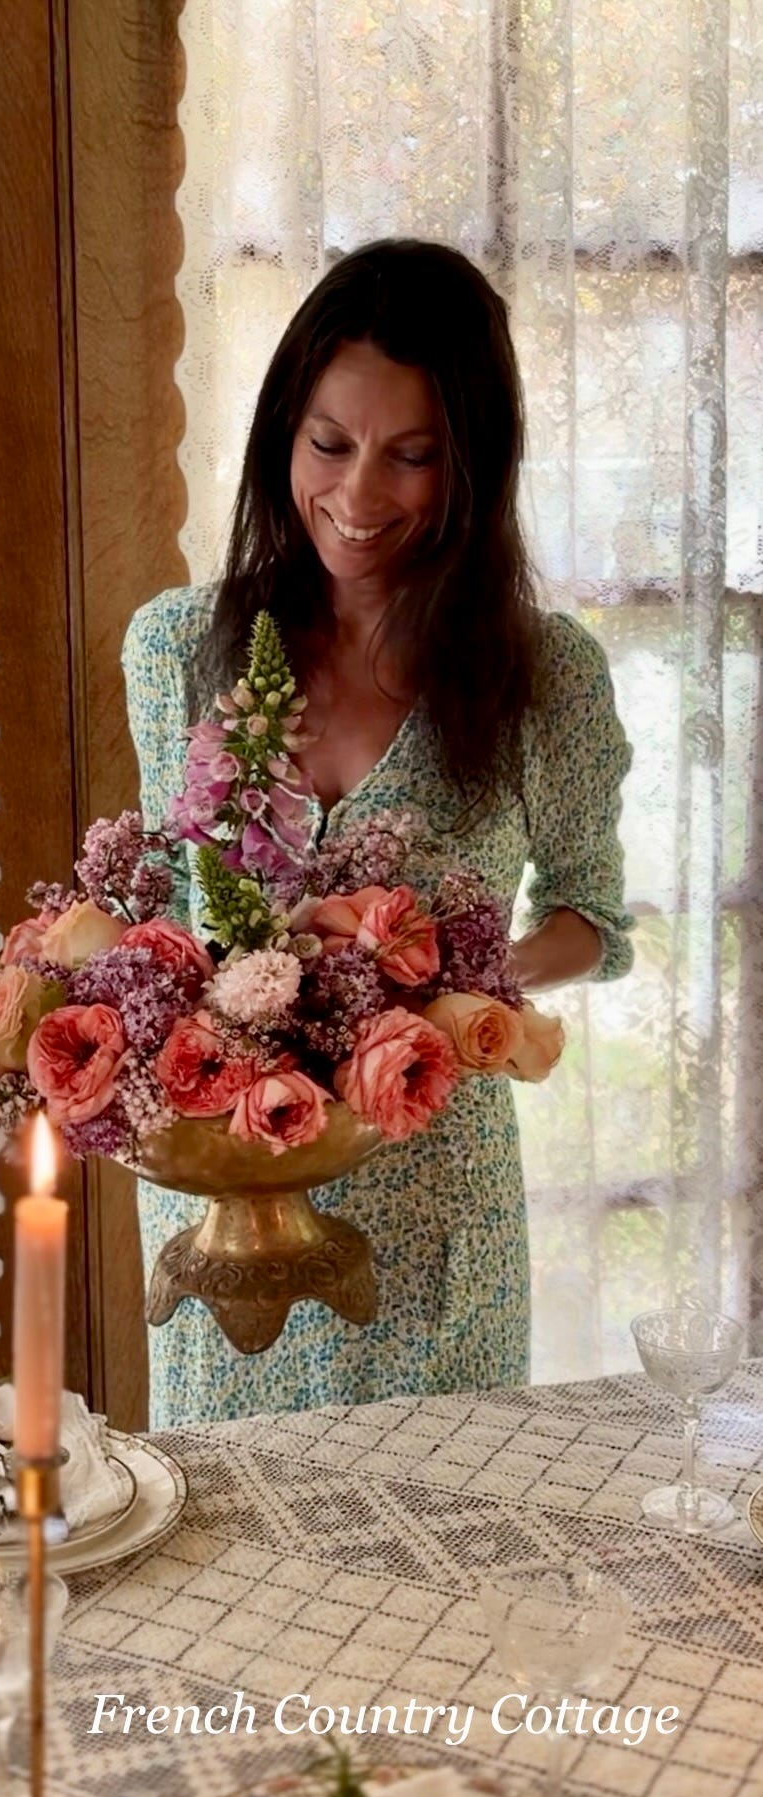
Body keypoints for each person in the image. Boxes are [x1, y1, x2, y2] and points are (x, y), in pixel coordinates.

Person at [122, 239, 634, 1428]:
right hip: (230, 1195)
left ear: (474, 465)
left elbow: (595, 920)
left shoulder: (544, 674)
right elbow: (157, 912)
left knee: (443, 1527)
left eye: (412, 456)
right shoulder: (177, 646)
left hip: (438, 1204)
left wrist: (449, 985)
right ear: (281, 438)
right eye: (329, 444)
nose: (357, 499)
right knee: (224, 1525)